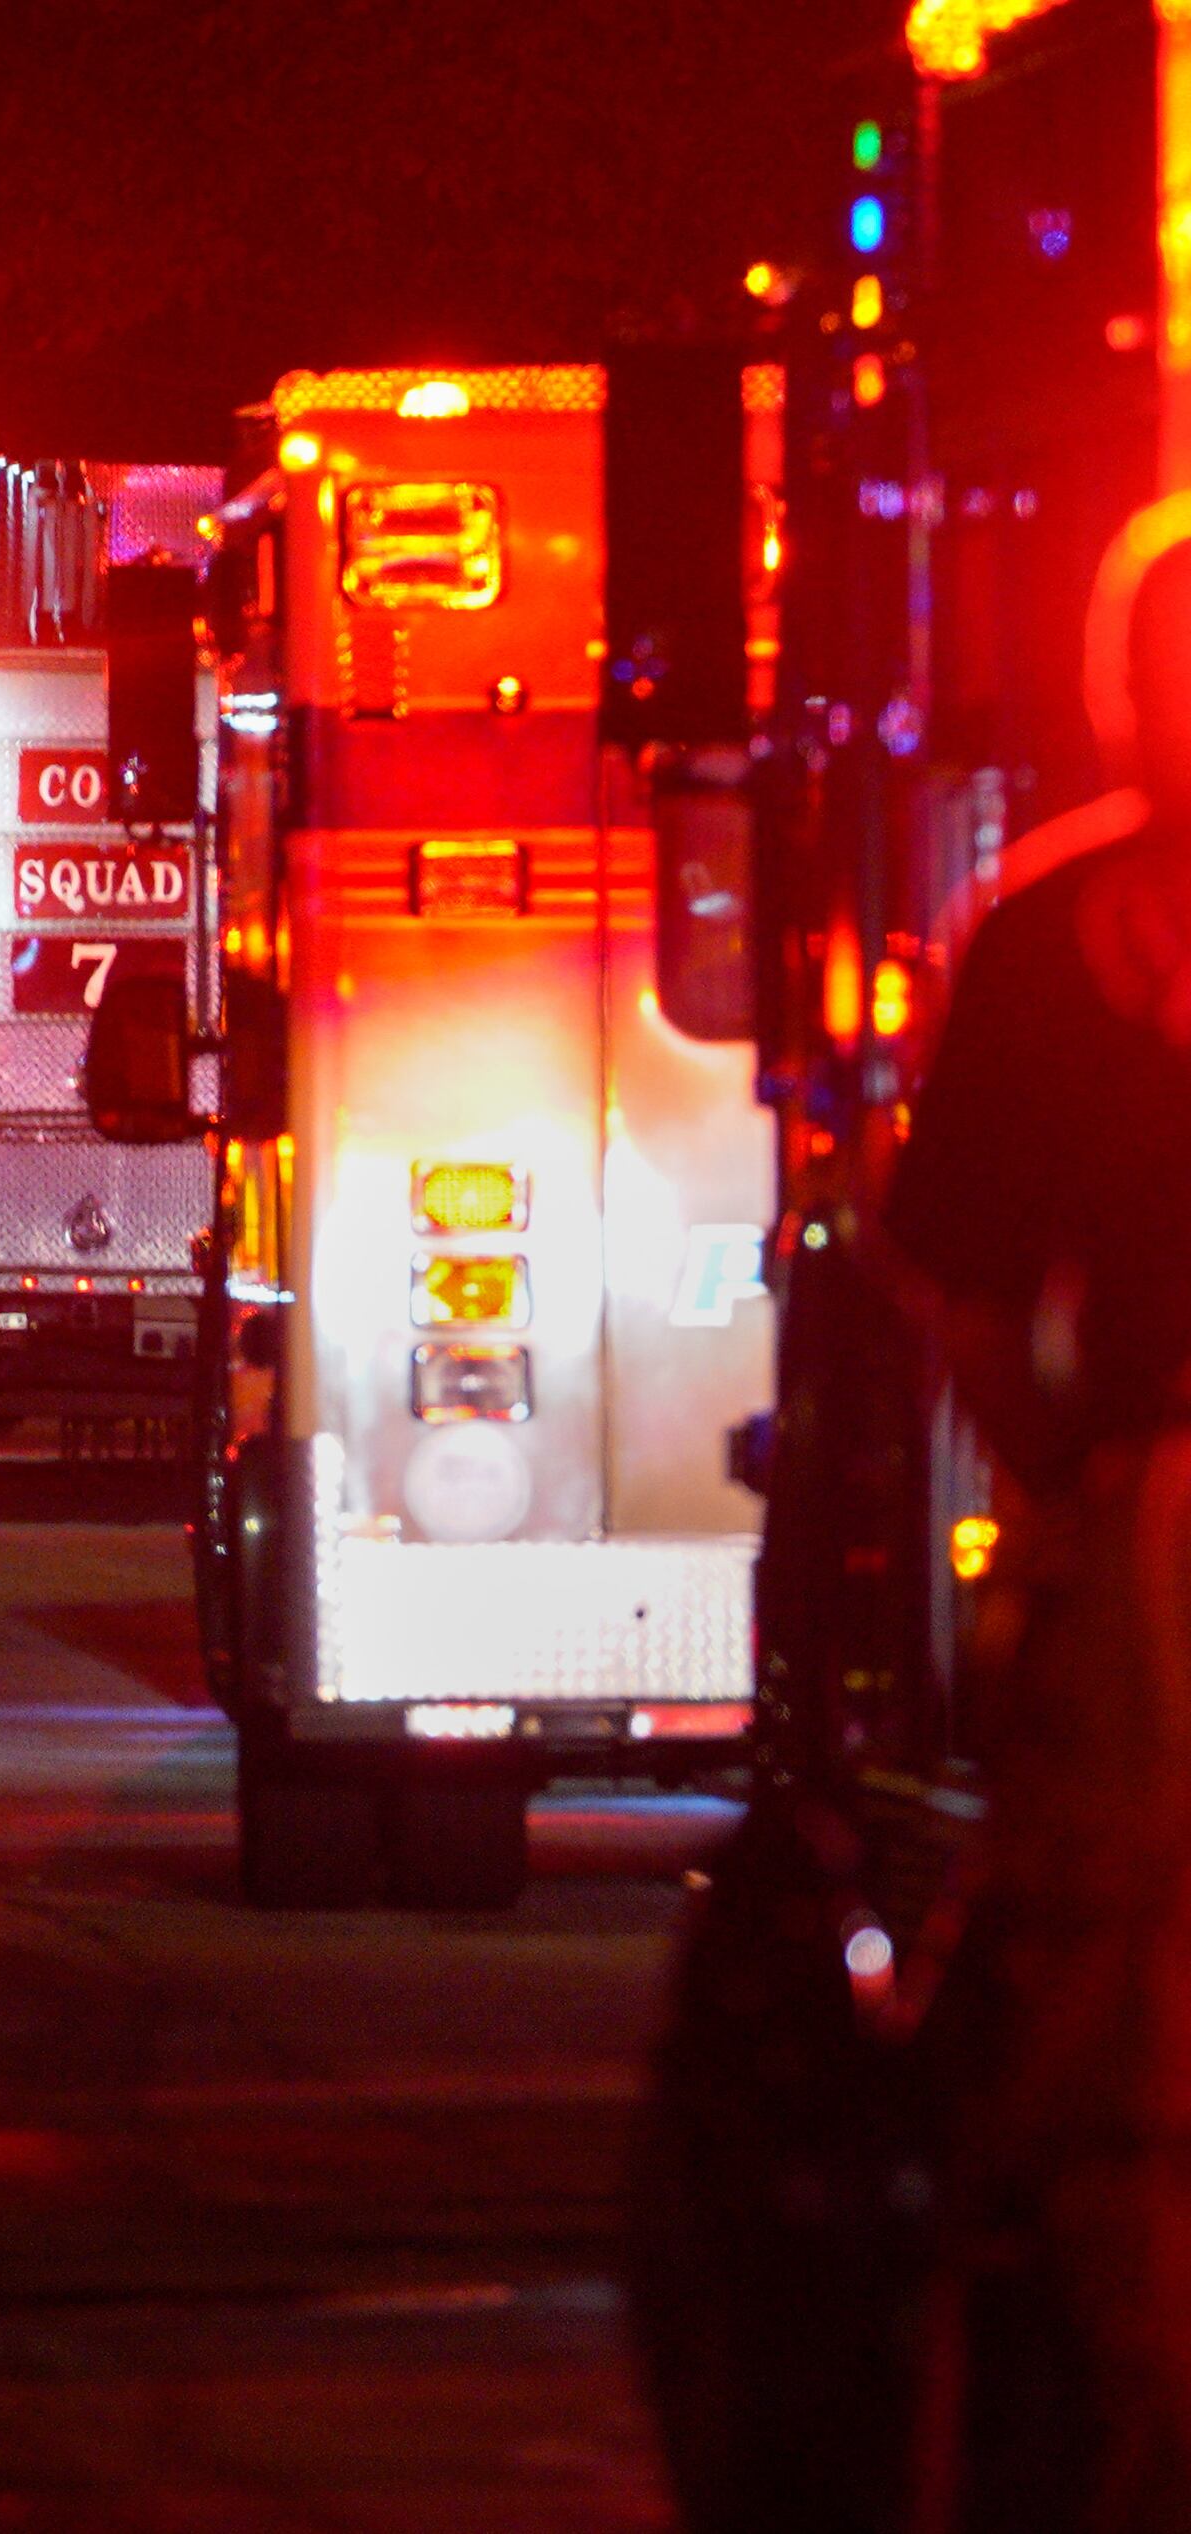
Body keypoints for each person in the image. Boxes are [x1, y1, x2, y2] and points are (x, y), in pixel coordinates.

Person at [886, 488, 1191, 2530]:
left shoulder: (1048, 933)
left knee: (1080, 2024)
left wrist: (1060, 1486)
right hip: (1148, 1524)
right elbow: (959, 1269)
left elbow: (950, 1273)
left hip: (1149, 1526)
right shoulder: (1046, 935)